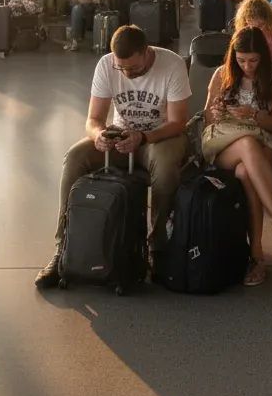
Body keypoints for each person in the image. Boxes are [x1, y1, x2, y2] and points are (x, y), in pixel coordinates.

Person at [34, 25, 190, 289]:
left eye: (132, 68)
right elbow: (93, 118)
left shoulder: (171, 64)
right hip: (119, 133)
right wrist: (98, 135)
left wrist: (143, 137)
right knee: (74, 158)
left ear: (146, 52)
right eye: (121, 69)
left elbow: (178, 122)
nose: (126, 73)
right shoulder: (107, 65)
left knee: (164, 170)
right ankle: (63, 248)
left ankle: (157, 245)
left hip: (159, 135)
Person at [201, 27, 272, 284]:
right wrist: (215, 113)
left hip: (265, 139)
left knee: (246, 172)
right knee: (247, 144)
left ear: (264, 57)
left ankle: (256, 255)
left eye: (253, 60)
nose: (247, 66)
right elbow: (206, 117)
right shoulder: (222, 74)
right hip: (224, 141)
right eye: (241, 60)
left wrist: (253, 115)